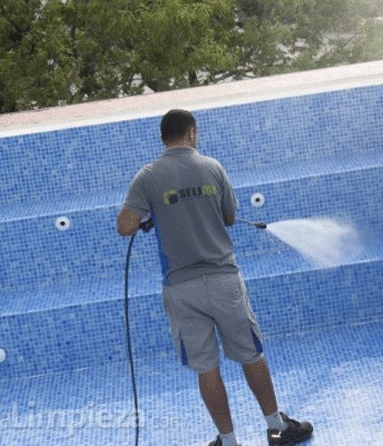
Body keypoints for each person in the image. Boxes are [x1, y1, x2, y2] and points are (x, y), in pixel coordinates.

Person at [117, 109, 313, 446]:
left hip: (181, 289)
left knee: (207, 368)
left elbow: (125, 226)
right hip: (223, 281)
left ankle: (229, 441)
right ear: (191, 133)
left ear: (164, 138)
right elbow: (229, 216)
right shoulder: (212, 167)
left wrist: (151, 216)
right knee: (251, 355)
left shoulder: (147, 177)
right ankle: (276, 429)